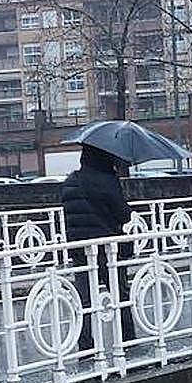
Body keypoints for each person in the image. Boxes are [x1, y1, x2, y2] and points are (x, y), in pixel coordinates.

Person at [61, 144, 136, 351]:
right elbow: (123, 215)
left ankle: (86, 347)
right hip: (106, 249)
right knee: (119, 295)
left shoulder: (70, 182)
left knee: (85, 300)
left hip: (79, 249)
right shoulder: (106, 181)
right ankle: (127, 342)